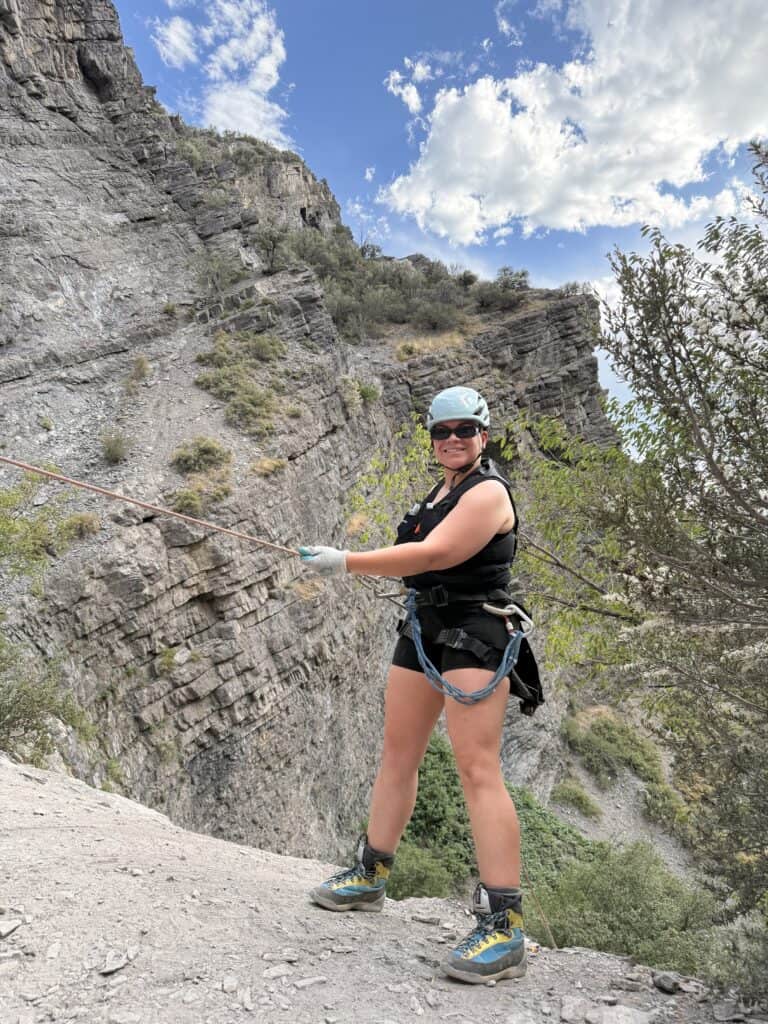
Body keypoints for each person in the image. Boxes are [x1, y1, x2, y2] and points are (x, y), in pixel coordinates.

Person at [298, 385, 542, 985]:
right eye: (442, 432)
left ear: (483, 436)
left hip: (475, 633)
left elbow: (432, 553)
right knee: (398, 754)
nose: (453, 440)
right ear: (433, 440)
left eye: (465, 430)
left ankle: (504, 925)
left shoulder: (487, 493)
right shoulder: (443, 490)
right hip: (425, 626)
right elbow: (423, 557)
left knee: (476, 769)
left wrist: (346, 561)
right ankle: (371, 874)